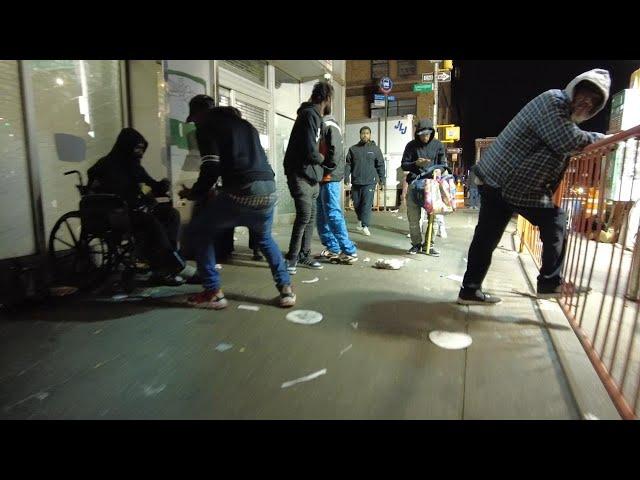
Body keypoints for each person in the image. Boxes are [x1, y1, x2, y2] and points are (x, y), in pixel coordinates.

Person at [457, 69, 611, 305]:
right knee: (555, 220)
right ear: (574, 88)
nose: (586, 102)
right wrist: (604, 140)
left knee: (486, 238)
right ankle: (549, 283)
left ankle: (469, 290)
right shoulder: (553, 102)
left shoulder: (561, 112)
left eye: (594, 101)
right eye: (584, 94)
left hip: (500, 181)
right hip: (509, 182)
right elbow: (567, 140)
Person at [179, 95, 295, 309]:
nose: (194, 123)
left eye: (194, 119)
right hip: (268, 188)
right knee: (264, 238)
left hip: (242, 191)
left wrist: (194, 193)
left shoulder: (206, 127)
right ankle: (286, 289)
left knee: (199, 230)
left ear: (199, 114)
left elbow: (211, 167)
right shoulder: (246, 125)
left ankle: (213, 291)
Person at [87, 128, 189, 285]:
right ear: (126, 146)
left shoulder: (133, 166)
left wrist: (161, 186)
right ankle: (169, 264)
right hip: (115, 213)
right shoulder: (106, 164)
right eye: (137, 148)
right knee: (150, 221)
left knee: (171, 214)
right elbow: (95, 185)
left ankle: (168, 259)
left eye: (142, 148)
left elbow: (151, 183)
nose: (140, 152)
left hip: (134, 210)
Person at [283, 81, 334, 274]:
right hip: (300, 174)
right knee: (304, 215)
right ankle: (292, 258)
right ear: (327, 98)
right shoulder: (309, 115)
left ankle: (304, 255)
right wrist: (323, 158)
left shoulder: (315, 117)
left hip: (311, 176)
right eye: (331, 100)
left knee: (311, 217)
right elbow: (310, 151)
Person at [315, 112, 358, 264]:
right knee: (322, 215)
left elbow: (335, 152)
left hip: (329, 177)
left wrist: (326, 168)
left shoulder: (329, 126)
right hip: (324, 177)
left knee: (332, 214)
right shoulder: (323, 127)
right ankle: (333, 248)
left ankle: (349, 251)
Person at [401, 119, 447, 256]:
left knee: (433, 216)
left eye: (427, 134)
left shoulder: (438, 145)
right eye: (422, 135)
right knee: (413, 217)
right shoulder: (411, 145)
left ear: (431, 133)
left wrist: (439, 170)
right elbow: (404, 164)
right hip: (414, 184)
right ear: (418, 133)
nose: (425, 137)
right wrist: (415, 164)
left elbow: (443, 164)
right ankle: (416, 244)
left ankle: (429, 245)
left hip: (432, 186)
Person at [344, 126, 385, 236]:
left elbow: (380, 165)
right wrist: (346, 176)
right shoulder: (353, 149)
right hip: (356, 181)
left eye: (367, 133)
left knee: (366, 205)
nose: (365, 135)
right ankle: (361, 220)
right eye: (363, 133)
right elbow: (348, 164)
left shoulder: (375, 149)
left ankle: (365, 225)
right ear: (360, 135)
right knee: (357, 204)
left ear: (370, 135)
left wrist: (382, 180)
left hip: (370, 182)